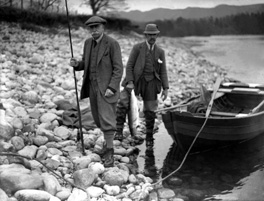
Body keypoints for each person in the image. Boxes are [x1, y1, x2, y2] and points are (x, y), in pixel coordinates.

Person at [70, 16, 123, 167]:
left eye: (96, 27)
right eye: (91, 28)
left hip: (107, 89)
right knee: (97, 118)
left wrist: (112, 88)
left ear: (103, 27)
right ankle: (108, 144)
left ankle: (110, 152)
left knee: (107, 120)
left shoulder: (112, 43)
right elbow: (86, 63)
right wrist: (77, 64)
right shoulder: (87, 43)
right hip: (92, 87)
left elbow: (119, 69)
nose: (94, 30)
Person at [116, 24, 169, 148]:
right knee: (123, 103)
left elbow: (163, 71)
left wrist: (165, 88)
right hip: (135, 81)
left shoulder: (160, 52)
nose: (152, 37)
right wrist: (129, 81)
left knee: (150, 110)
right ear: (145, 35)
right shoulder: (137, 48)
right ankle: (118, 132)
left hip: (151, 83)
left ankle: (149, 136)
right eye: (149, 35)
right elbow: (129, 66)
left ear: (157, 35)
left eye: (154, 35)